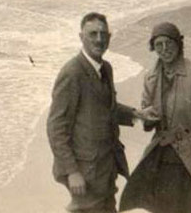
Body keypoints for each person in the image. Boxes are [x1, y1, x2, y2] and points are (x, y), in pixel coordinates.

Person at [119, 22, 191, 213]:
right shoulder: (150, 77)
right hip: (163, 154)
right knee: (164, 206)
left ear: (179, 43)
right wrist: (148, 118)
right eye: (159, 45)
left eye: (169, 43)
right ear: (153, 48)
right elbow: (146, 112)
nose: (164, 49)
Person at [48, 12, 140, 212]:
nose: (99, 39)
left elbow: (106, 109)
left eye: (103, 34)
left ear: (109, 37)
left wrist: (136, 114)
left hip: (106, 168)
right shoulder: (72, 73)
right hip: (85, 173)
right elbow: (56, 127)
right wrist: (72, 171)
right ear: (81, 37)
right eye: (93, 34)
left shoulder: (105, 68)